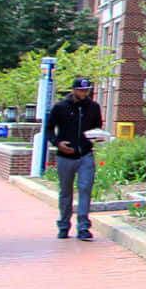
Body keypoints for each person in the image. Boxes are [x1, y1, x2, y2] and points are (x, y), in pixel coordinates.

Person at [45, 77, 103, 240]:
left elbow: (97, 127)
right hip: (66, 156)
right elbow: (49, 129)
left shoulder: (93, 107)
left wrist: (97, 137)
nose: (84, 93)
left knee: (85, 189)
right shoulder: (60, 107)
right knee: (66, 191)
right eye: (81, 90)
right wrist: (57, 143)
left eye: (86, 90)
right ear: (74, 90)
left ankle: (83, 226)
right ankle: (64, 225)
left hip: (85, 154)